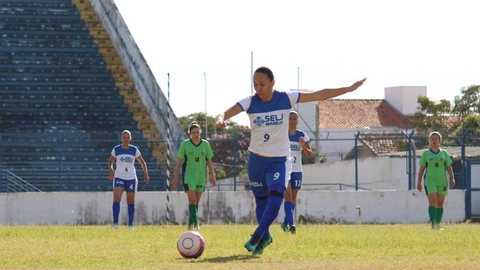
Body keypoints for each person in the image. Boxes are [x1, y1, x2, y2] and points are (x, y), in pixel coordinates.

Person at [215, 66, 365, 255]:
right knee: (261, 201)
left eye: (262, 84)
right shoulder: (250, 102)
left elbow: (319, 94)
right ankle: (266, 236)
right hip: (256, 160)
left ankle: (257, 235)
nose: (258, 88)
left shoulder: (286, 98)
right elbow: (225, 113)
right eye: (255, 84)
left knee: (277, 196)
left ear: (272, 83)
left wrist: (348, 89)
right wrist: (221, 120)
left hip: (279, 159)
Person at [172, 121, 216, 230]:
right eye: (193, 132)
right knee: (192, 200)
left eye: (198, 132)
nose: (196, 134)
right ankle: (196, 224)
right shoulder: (185, 144)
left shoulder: (205, 144)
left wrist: (212, 175)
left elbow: (209, 161)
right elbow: (179, 162)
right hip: (189, 176)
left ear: (200, 132)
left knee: (196, 202)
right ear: (190, 134)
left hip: (201, 176)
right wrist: (176, 176)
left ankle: (190, 225)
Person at [108, 130, 150, 228]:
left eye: (128, 137)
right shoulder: (116, 149)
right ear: (121, 139)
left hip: (131, 178)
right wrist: (111, 170)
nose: (126, 139)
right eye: (124, 137)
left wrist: (145, 173)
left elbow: (143, 162)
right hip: (119, 177)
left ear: (130, 139)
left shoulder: (134, 150)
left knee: (130, 201)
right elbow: (110, 161)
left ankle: (130, 225)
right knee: (116, 199)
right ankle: (115, 224)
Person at [281, 111, 313, 234]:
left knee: (293, 199)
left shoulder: (302, 135)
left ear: (298, 120)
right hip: (285, 170)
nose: (292, 120)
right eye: (290, 118)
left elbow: (310, 154)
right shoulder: (282, 135)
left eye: (295, 118)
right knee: (287, 196)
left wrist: (303, 146)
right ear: (287, 120)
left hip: (297, 171)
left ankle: (285, 223)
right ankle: (292, 224)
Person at [416, 131, 455, 230]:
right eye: (432, 139)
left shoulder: (444, 153)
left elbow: (449, 167)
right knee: (432, 201)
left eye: (436, 139)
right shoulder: (426, 153)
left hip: (442, 181)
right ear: (429, 141)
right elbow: (422, 169)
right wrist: (419, 182)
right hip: (430, 180)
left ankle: (437, 224)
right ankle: (433, 224)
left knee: (440, 203)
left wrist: (452, 178)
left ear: (440, 141)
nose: (434, 141)